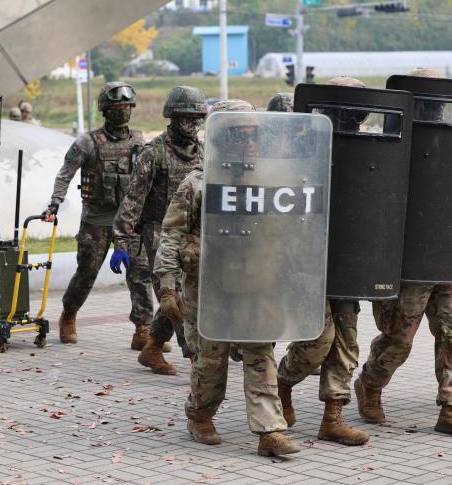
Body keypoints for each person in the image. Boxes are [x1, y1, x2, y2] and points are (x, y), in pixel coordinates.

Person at [153, 99, 300, 457]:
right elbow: (171, 235)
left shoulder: (269, 182)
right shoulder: (199, 184)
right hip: (210, 287)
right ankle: (199, 414)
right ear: (223, 139)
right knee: (210, 361)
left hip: (257, 284)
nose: (249, 143)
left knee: (260, 354)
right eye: (240, 135)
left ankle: (270, 431)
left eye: (254, 136)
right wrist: (167, 287)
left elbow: (288, 233)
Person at [355, 68, 452, 437]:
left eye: (436, 103)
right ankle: (370, 385)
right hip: (411, 264)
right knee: (399, 340)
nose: (433, 109)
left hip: (449, 257)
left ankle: (451, 408)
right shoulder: (393, 140)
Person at [277, 77, 370, 446]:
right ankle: (283, 383)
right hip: (305, 260)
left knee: (346, 342)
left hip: (348, 259)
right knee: (319, 340)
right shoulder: (299, 150)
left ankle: (333, 416)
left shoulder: (369, 148)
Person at [42, 82, 152, 348]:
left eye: (126, 106)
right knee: (87, 272)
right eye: (116, 107)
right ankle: (68, 315)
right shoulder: (87, 142)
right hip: (96, 221)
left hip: (130, 222)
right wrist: (55, 203)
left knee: (140, 274)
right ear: (105, 110)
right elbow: (65, 174)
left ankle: (143, 330)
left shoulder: (139, 140)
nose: (122, 112)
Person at [111, 86, 206, 375]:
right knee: (175, 297)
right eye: (185, 117)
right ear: (172, 118)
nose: (191, 123)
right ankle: (198, 362)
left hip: (193, 235)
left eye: (197, 117)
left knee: (183, 295)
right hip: (158, 236)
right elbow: (133, 199)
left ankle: (152, 348)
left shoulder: (203, 151)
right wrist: (121, 241)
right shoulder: (154, 154)